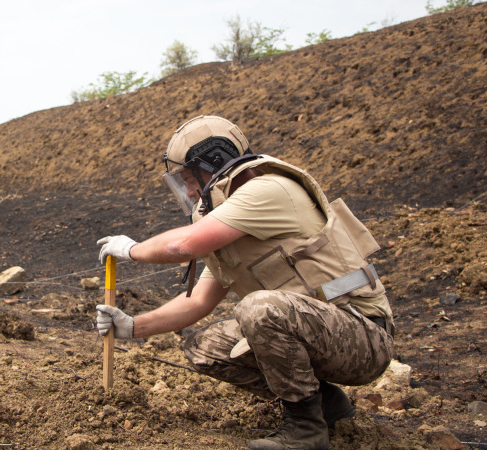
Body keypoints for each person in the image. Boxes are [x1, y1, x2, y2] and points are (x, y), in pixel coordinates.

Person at [95, 115, 394, 450]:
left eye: (189, 178)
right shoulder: (231, 215)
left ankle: (306, 430)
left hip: (364, 337)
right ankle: (325, 404)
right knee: (203, 347)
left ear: (214, 161)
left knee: (259, 308)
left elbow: (184, 245)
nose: (190, 190)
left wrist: (132, 249)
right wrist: (132, 326)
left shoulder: (266, 191)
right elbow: (197, 302)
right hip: (317, 329)